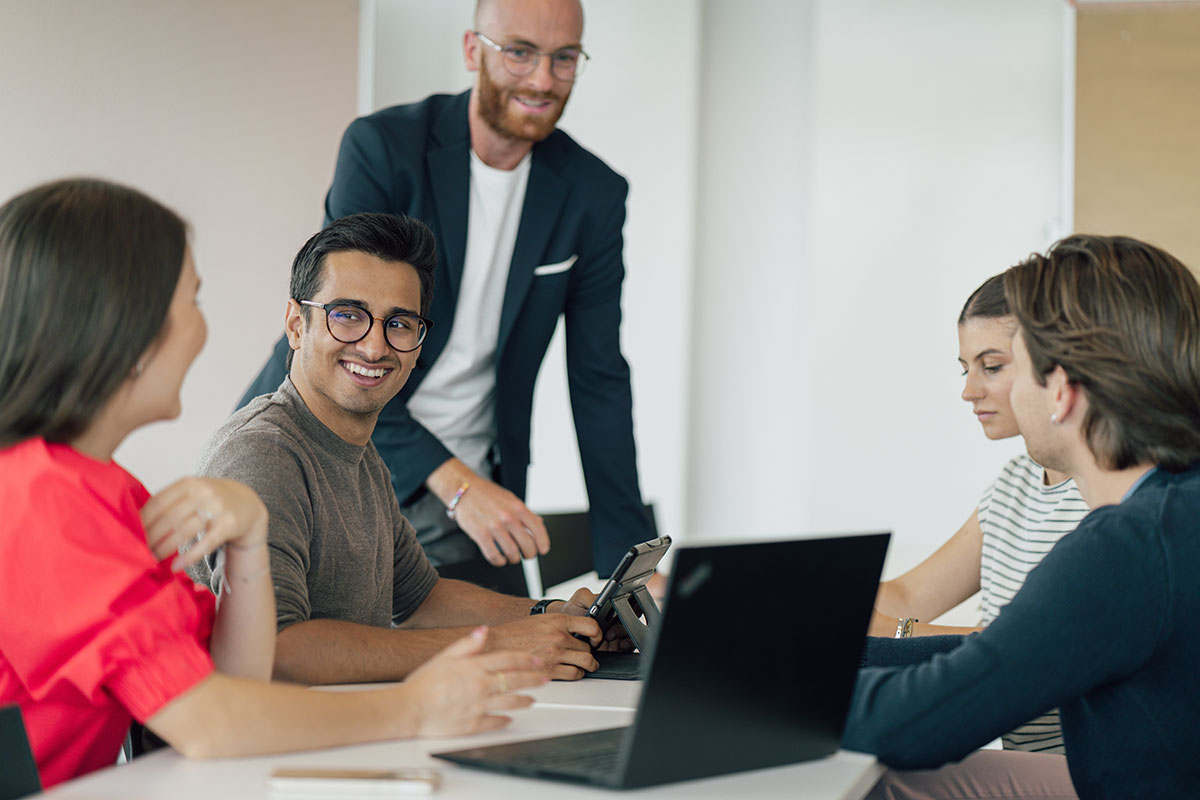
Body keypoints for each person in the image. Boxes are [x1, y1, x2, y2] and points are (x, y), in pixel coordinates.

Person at [0, 179, 545, 788]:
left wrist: (250, 541)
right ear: (122, 322)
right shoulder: (40, 499)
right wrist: (416, 707)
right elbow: (210, 721)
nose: (202, 331)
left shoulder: (108, 491)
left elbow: (236, 675)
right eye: (193, 302)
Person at [236, 0, 656, 584]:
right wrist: (455, 483)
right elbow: (348, 339)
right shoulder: (383, 150)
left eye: (564, 59)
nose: (542, 80)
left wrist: (628, 566)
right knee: (323, 651)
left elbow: (599, 379)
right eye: (519, 53)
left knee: (522, 650)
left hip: (473, 488)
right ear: (471, 50)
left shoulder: (593, 194)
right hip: (333, 450)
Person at [845, 234, 1200, 799]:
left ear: (1060, 388)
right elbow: (1007, 653)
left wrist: (743, 694)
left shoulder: (1127, 545)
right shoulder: (1175, 506)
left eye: (1014, 367)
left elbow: (919, 724)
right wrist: (820, 657)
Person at [195, 212, 618, 686]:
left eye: (398, 323)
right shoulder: (265, 455)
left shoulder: (359, 454)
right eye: (348, 316)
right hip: (263, 751)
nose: (375, 347)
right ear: (297, 325)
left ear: (418, 344)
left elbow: (421, 600)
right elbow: (278, 652)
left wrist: (552, 615)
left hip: (348, 730)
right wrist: (499, 646)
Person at [867, 274, 1089, 754]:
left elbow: (1033, 646)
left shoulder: (1104, 495)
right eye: (964, 368)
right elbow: (908, 594)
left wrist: (897, 635)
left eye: (991, 366)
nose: (969, 391)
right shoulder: (1017, 480)